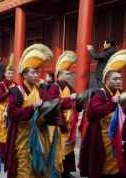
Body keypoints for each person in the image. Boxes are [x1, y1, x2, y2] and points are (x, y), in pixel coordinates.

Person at [4, 44, 60, 178]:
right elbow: (12, 113)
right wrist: (32, 108)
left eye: (38, 72)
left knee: (39, 170)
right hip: (22, 137)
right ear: (24, 74)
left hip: (40, 136)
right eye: (33, 72)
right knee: (25, 169)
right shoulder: (17, 92)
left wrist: (52, 111)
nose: (37, 75)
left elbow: (51, 111)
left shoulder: (41, 92)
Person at [79, 50, 126, 178]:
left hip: (119, 138)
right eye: (115, 79)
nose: (118, 82)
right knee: (104, 169)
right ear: (106, 80)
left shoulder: (121, 94)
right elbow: (92, 113)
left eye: (120, 79)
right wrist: (112, 102)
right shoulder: (100, 94)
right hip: (102, 138)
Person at [47, 51, 81, 178]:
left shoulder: (69, 87)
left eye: (70, 73)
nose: (70, 76)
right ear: (60, 75)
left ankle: (66, 171)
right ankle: (58, 172)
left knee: (69, 149)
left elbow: (76, 100)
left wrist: (79, 100)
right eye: (67, 74)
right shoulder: (54, 87)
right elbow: (53, 103)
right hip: (59, 123)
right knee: (59, 148)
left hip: (70, 123)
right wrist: (70, 99)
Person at [0, 54, 16, 161]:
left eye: (12, 73)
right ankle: (1, 155)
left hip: (12, 110)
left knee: (11, 133)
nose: (10, 75)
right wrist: (8, 92)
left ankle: (10, 154)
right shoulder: (0, 85)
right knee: (2, 134)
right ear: (5, 74)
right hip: (2, 112)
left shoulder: (15, 84)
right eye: (8, 73)